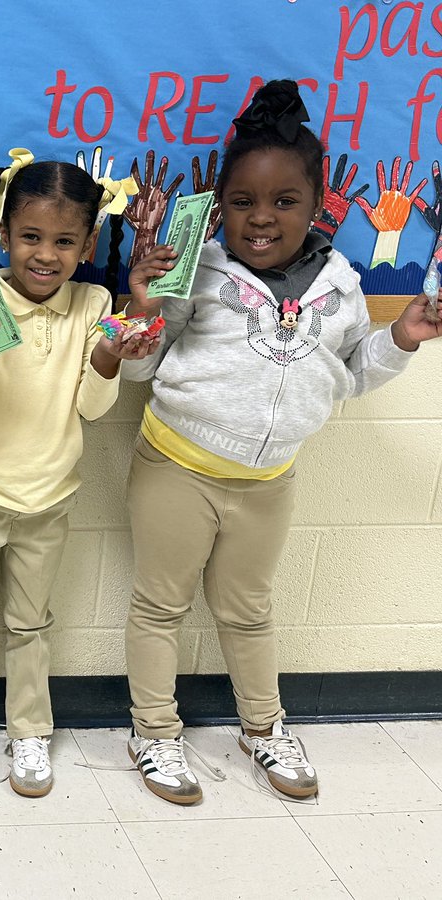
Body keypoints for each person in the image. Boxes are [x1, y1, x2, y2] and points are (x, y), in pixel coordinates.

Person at [121, 79, 441, 804]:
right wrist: (142, 309)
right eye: (242, 202)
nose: (261, 219)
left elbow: (353, 377)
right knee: (160, 605)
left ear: (318, 202)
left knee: (249, 609)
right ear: (222, 205)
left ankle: (263, 727)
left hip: (269, 480)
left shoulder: (342, 287)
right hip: (175, 467)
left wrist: (403, 339)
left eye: (283, 201)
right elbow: (142, 369)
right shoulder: (194, 270)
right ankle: (153, 732)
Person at [0, 155, 158, 802]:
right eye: (30, 237)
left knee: (32, 625)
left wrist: (108, 353)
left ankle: (30, 730)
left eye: (63, 241)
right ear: (4, 237)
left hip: (51, 498)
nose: (45, 255)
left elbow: (92, 408)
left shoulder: (97, 304)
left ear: (86, 245)